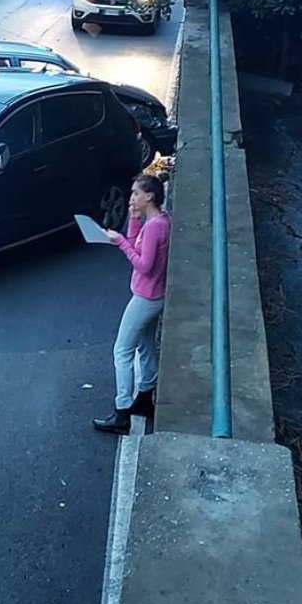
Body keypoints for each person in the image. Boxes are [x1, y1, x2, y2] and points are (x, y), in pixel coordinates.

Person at [93, 174, 172, 435]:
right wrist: (134, 219)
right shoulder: (160, 221)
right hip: (155, 296)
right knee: (145, 344)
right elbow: (137, 241)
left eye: (136, 193)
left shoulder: (154, 228)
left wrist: (119, 243)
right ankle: (144, 398)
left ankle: (122, 410)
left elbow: (144, 265)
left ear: (149, 196)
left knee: (122, 350)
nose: (132, 197)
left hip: (146, 296)